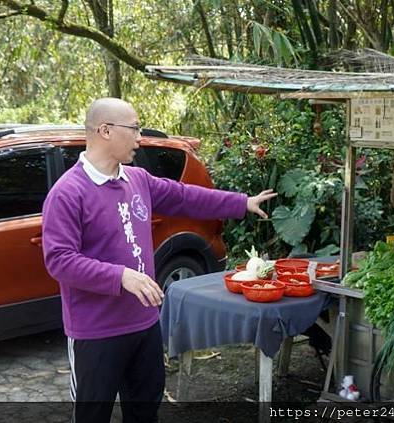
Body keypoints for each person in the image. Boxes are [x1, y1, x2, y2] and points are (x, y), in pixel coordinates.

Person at [42, 97, 277, 423]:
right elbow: (60, 260)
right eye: (134, 129)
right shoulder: (68, 192)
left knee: (145, 411)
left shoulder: (137, 179)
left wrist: (240, 203)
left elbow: (185, 196)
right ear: (105, 130)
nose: (140, 138)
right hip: (96, 333)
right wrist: (121, 276)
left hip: (144, 325)